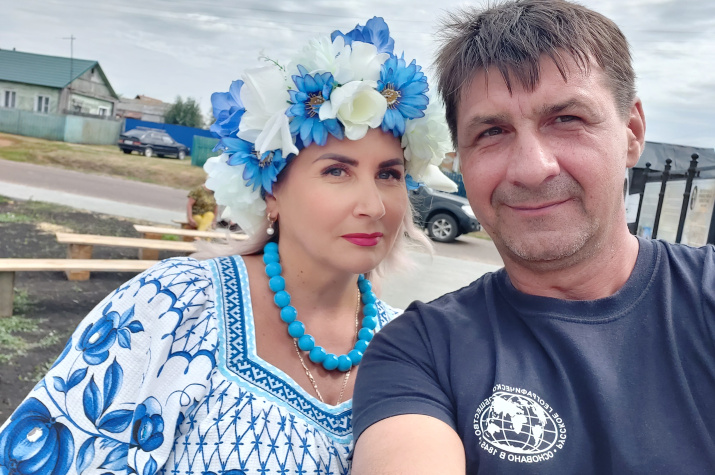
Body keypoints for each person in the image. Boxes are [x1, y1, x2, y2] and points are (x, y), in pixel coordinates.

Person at [0, 18, 457, 474]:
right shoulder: (174, 306)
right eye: (336, 171)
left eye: (389, 174)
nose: (374, 206)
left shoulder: (412, 346)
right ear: (272, 190)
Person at [351, 1, 715, 474]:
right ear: (460, 158)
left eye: (567, 119)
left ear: (631, 132)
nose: (531, 168)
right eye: (492, 131)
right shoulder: (419, 353)